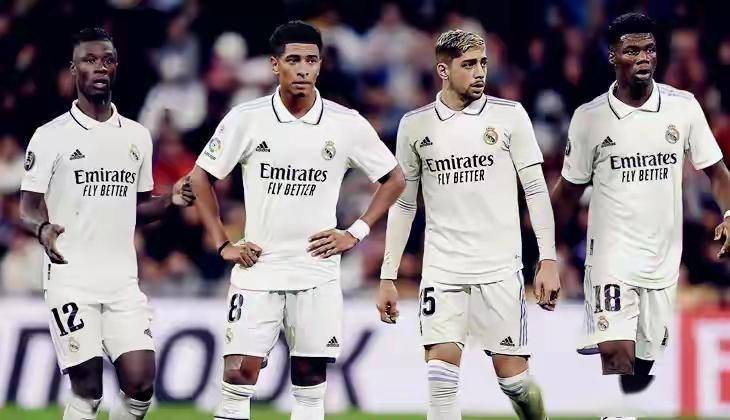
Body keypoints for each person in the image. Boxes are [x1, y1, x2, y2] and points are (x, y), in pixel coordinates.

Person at [188, 21, 405, 420]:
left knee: (309, 383)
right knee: (237, 377)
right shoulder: (247, 118)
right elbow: (200, 177)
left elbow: (395, 178)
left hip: (316, 272)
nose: (303, 69)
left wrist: (355, 232)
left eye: (311, 60)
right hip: (258, 270)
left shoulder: (345, 122)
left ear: (320, 64)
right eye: (293, 60)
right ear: (275, 65)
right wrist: (223, 243)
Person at [551, 12, 730, 417]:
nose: (644, 57)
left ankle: (620, 411)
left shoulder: (682, 107)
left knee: (644, 364)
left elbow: (718, 174)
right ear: (613, 56)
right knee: (617, 348)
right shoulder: (590, 118)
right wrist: (546, 249)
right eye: (632, 50)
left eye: (649, 49)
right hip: (611, 254)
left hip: (663, 256)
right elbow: (569, 192)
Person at [377, 29, 559, 420]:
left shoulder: (509, 116)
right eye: (469, 64)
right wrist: (388, 274)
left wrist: (548, 259)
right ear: (443, 70)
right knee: (440, 378)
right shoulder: (415, 125)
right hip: (442, 270)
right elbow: (404, 203)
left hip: (500, 269)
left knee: (515, 383)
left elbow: (535, 190)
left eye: (483, 63)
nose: (480, 72)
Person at [19, 27, 195, 420]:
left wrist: (171, 200)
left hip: (122, 282)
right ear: (73, 69)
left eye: (107, 60)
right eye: (89, 60)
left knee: (141, 385)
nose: (100, 67)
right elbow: (27, 207)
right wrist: (42, 229)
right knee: (88, 391)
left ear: (115, 68)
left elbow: (138, 209)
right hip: (71, 279)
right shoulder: (50, 137)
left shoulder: (137, 136)